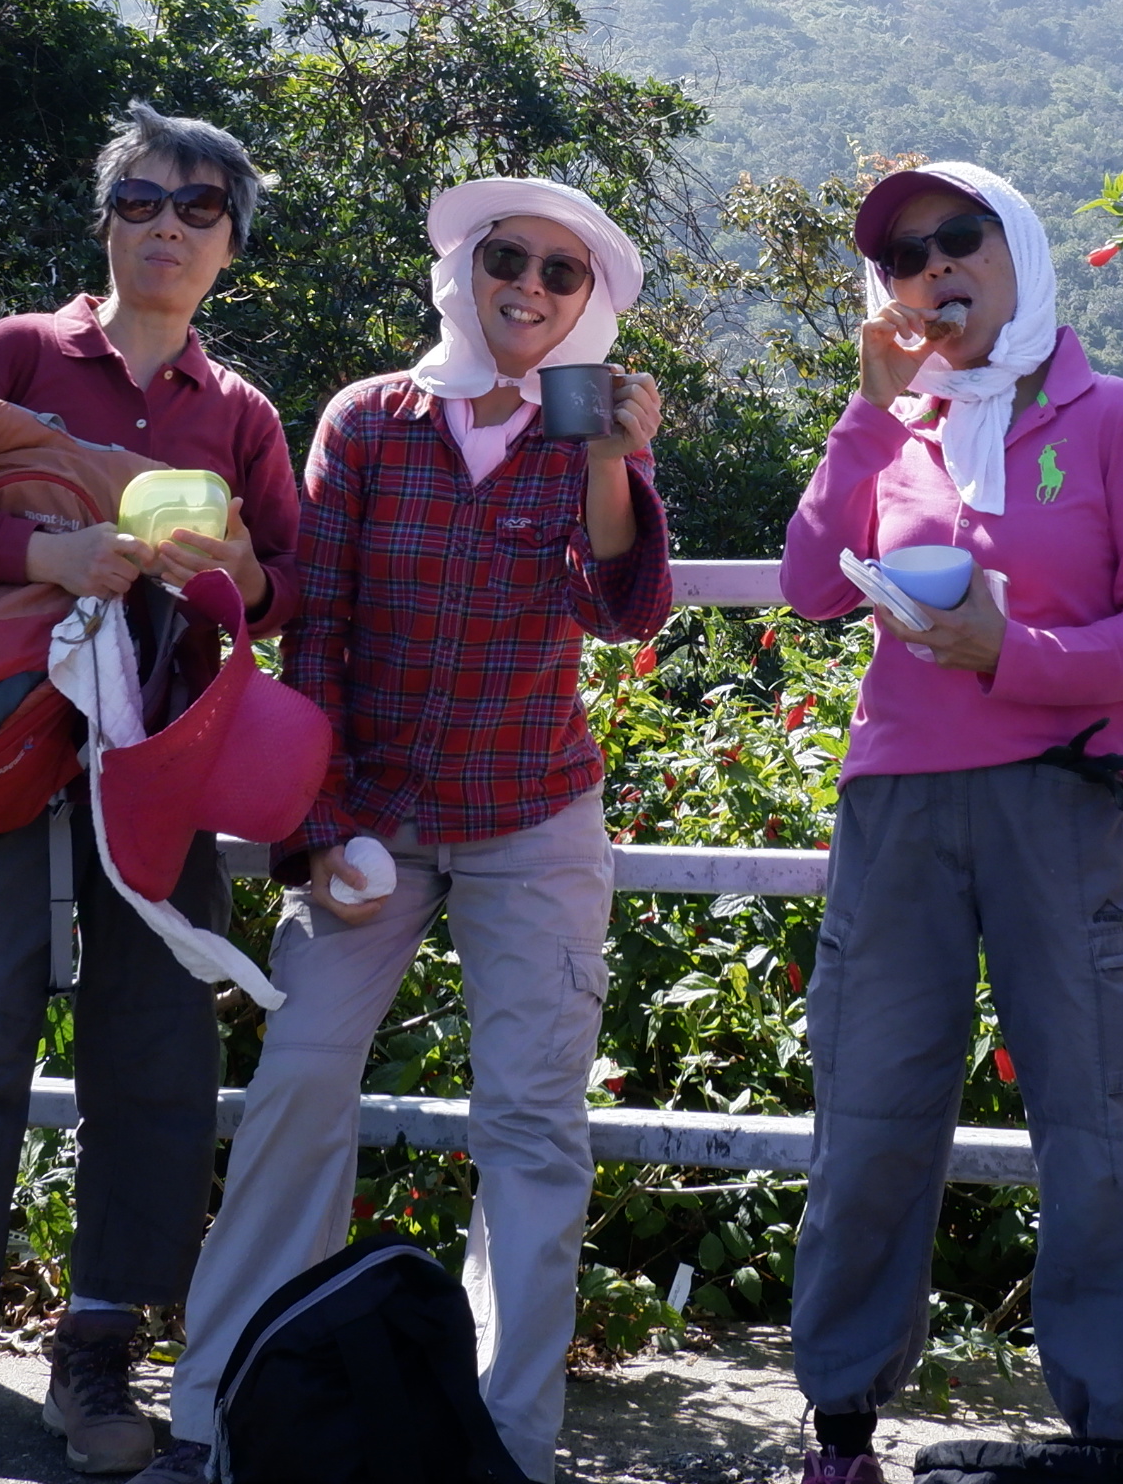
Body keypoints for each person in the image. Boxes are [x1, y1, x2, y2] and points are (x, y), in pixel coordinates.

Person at [154, 178, 676, 1484]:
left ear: (588, 303)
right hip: (371, 814)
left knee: (533, 1126)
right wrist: (324, 826)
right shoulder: (372, 421)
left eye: (563, 273)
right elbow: (317, 626)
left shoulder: (586, 431)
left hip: (531, 810)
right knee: (299, 1083)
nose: (531, 288)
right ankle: (218, 1415)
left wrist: (611, 458)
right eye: (509, 258)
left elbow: (621, 609)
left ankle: (510, 1448)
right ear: (464, 270)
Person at [0, 101, 300, 1484]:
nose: (167, 226)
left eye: (199, 208)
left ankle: (96, 1351)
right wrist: (56, 554)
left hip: (159, 768)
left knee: (153, 1063)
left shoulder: (239, 415)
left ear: (229, 245)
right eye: (141, 199)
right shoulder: (18, 356)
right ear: (106, 221)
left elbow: (291, 585)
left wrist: (231, 570)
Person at [775, 162, 1123, 1484]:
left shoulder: (1119, 417)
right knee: (871, 1112)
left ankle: (1112, 1435)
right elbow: (810, 588)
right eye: (904, 257)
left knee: (1101, 1117)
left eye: (959, 238)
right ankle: (841, 1422)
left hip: (1063, 798)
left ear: (1019, 250)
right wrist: (865, 414)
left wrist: (1007, 653)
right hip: (897, 804)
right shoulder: (894, 430)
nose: (932, 269)